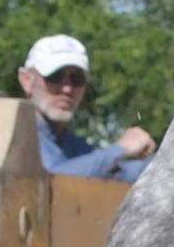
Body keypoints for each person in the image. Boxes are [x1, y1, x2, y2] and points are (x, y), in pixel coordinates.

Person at [19, 34, 155, 183]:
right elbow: (50, 181)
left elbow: (123, 174)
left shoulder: (75, 147)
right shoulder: (11, 140)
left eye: (77, 79)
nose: (67, 89)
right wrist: (120, 150)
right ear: (26, 80)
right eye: (55, 77)